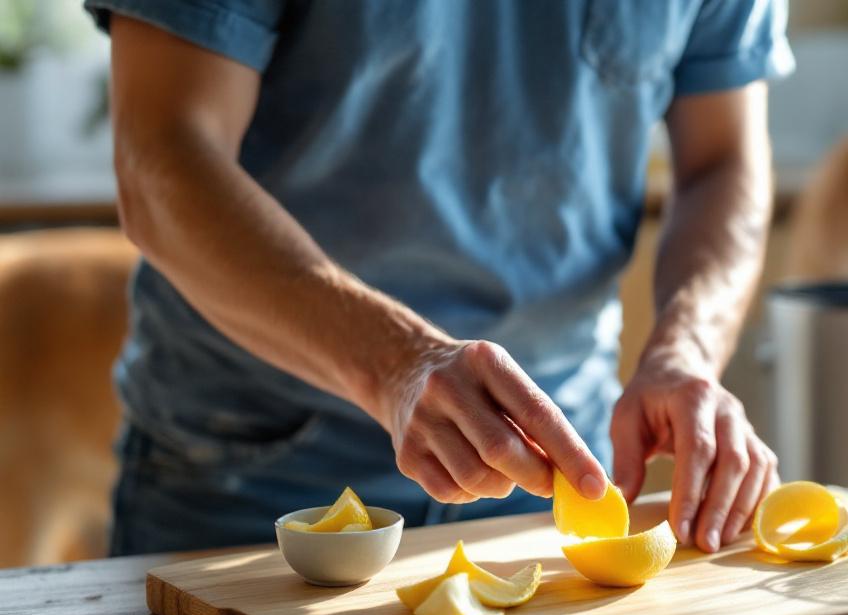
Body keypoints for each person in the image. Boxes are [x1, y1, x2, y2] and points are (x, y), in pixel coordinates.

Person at [86, 0, 792, 556]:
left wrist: (684, 352)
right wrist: (399, 365)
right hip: (254, 471)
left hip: (556, 471)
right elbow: (163, 160)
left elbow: (724, 160)